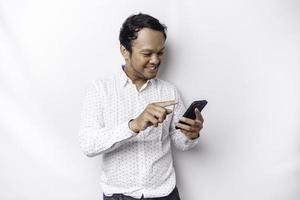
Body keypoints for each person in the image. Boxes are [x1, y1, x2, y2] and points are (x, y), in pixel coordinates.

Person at [79, 13, 204, 200]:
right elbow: (88, 144)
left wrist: (190, 134)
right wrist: (133, 126)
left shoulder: (169, 91)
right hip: (119, 196)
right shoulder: (100, 90)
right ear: (124, 51)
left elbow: (180, 142)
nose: (155, 60)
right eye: (147, 53)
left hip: (165, 194)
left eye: (160, 52)